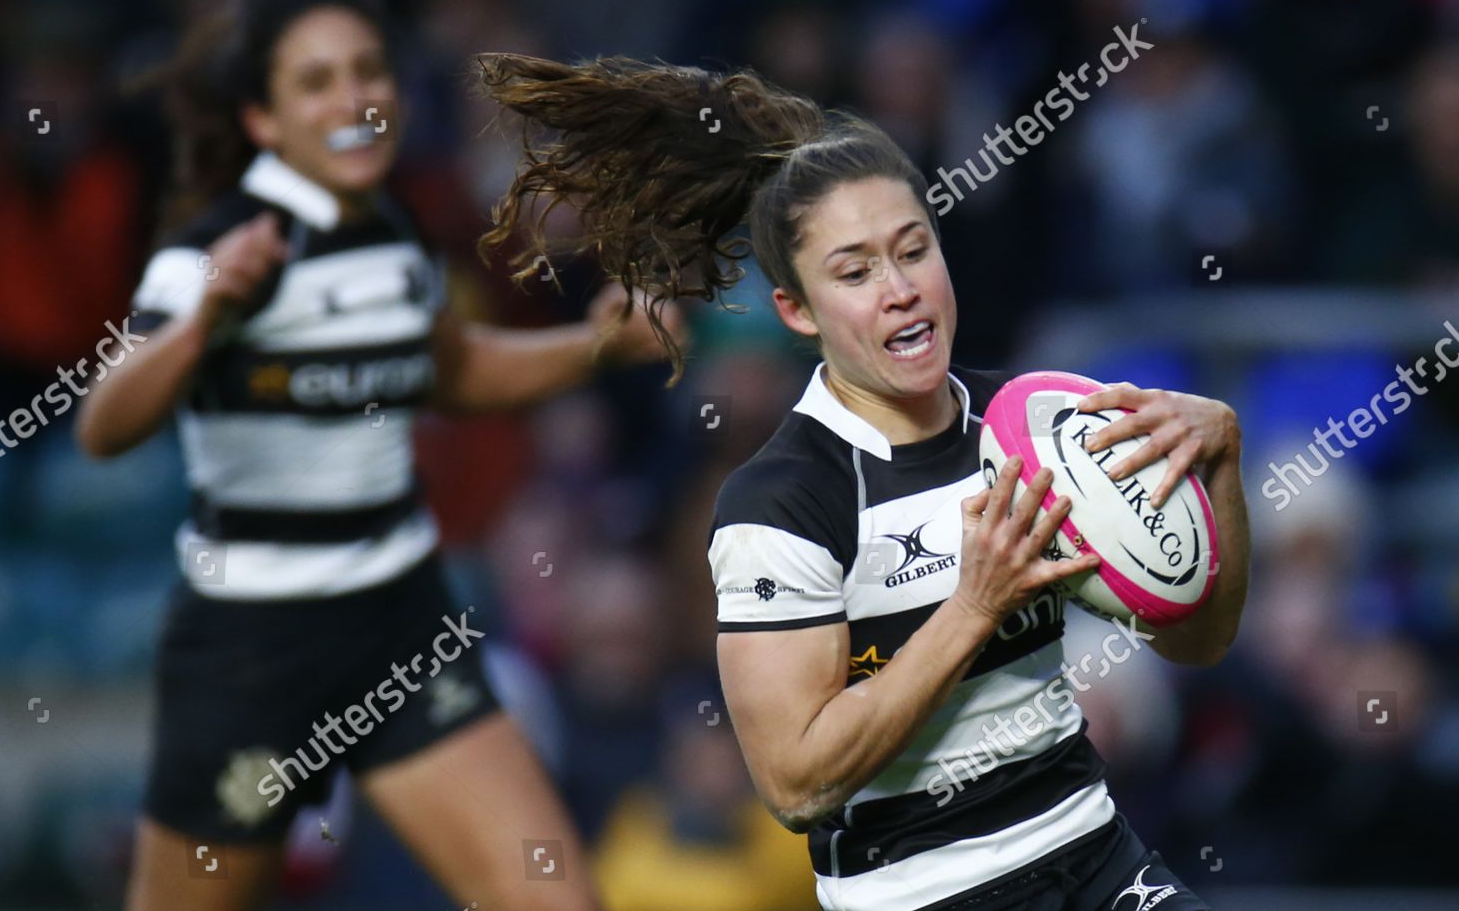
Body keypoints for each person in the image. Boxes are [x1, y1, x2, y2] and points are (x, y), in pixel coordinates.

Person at [475, 52, 1250, 910]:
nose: (899, 291)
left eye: (913, 250)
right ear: (797, 312)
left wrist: (1218, 473)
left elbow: (1197, 640)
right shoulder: (781, 503)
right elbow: (795, 781)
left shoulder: (1028, 426)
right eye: (854, 272)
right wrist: (972, 609)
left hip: (1097, 855)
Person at [74, 0, 679, 911]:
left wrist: (597, 344)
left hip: (402, 625)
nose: (353, 98)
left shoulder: (395, 234)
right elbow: (104, 425)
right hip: (249, 650)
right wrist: (203, 323)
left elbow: (454, 369)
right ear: (264, 120)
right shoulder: (214, 251)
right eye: (315, 81)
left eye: (368, 71)